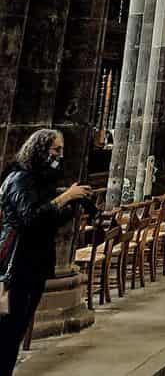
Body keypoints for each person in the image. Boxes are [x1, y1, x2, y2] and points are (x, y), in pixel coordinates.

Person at [0, 129, 93, 376]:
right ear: (39, 149)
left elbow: (47, 221)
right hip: (16, 264)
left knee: (17, 328)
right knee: (8, 329)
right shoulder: (19, 179)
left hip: (34, 263)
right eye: (56, 150)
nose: (60, 156)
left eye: (62, 151)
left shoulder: (38, 181)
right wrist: (64, 198)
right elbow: (28, 219)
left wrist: (73, 203)